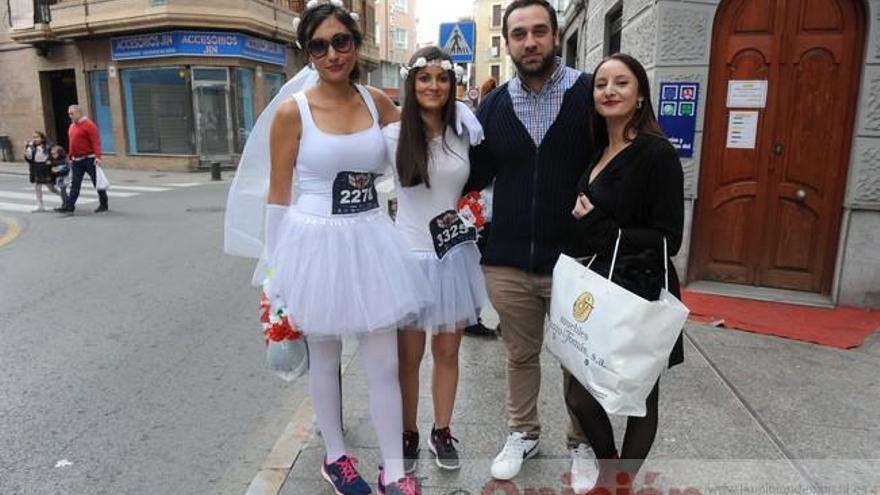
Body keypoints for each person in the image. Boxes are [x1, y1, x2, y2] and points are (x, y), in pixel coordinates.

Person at [263, 3, 428, 494]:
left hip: (370, 239)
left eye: (341, 42)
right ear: (306, 53)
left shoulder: (379, 102)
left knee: (384, 363)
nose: (332, 53)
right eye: (319, 45)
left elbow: (411, 161)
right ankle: (336, 458)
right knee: (325, 357)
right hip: (314, 245)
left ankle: (394, 470)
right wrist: (275, 276)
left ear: (356, 46)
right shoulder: (293, 112)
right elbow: (277, 194)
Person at [464, 0, 598, 489]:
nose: (530, 42)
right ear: (508, 42)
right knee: (519, 355)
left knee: (576, 358)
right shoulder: (493, 105)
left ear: (556, 33)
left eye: (539, 31)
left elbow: (616, 155)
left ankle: (580, 441)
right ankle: (523, 432)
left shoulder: (588, 93)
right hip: (508, 261)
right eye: (519, 34)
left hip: (576, 260)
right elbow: (471, 175)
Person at [567, 53, 685, 495]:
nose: (609, 91)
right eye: (601, 84)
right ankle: (613, 471)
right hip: (603, 286)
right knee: (579, 394)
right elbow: (593, 223)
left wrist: (596, 223)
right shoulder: (600, 150)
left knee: (639, 399)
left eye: (621, 83)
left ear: (639, 96)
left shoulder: (656, 154)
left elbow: (668, 238)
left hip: (642, 290)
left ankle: (617, 484)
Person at [382, 46, 488, 475]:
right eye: (423, 78)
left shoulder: (464, 131)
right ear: (411, 84)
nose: (433, 86)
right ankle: (407, 430)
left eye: (441, 79)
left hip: (453, 259)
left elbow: (485, 182)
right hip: (407, 259)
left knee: (447, 352)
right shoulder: (391, 137)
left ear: (453, 84)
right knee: (407, 358)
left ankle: (441, 430)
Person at [56, 104, 108, 215]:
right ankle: (69, 207)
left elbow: (96, 142)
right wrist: (70, 156)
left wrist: (98, 157)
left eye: (72, 113)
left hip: (89, 158)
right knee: (75, 184)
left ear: (79, 113)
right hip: (77, 160)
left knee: (97, 182)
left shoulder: (89, 125)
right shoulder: (72, 126)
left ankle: (104, 203)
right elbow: (72, 143)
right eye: (69, 114)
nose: (70, 116)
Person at [23, 131, 60, 212]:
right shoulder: (32, 147)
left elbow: (54, 156)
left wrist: (52, 162)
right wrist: (26, 148)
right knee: (37, 186)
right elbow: (29, 158)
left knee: (51, 187)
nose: (35, 139)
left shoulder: (48, 146)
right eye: (34, 137)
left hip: (45, 168)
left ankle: (64, 197)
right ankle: (40, 205)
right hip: (36, 167)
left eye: (37, 137)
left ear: (42, 138)